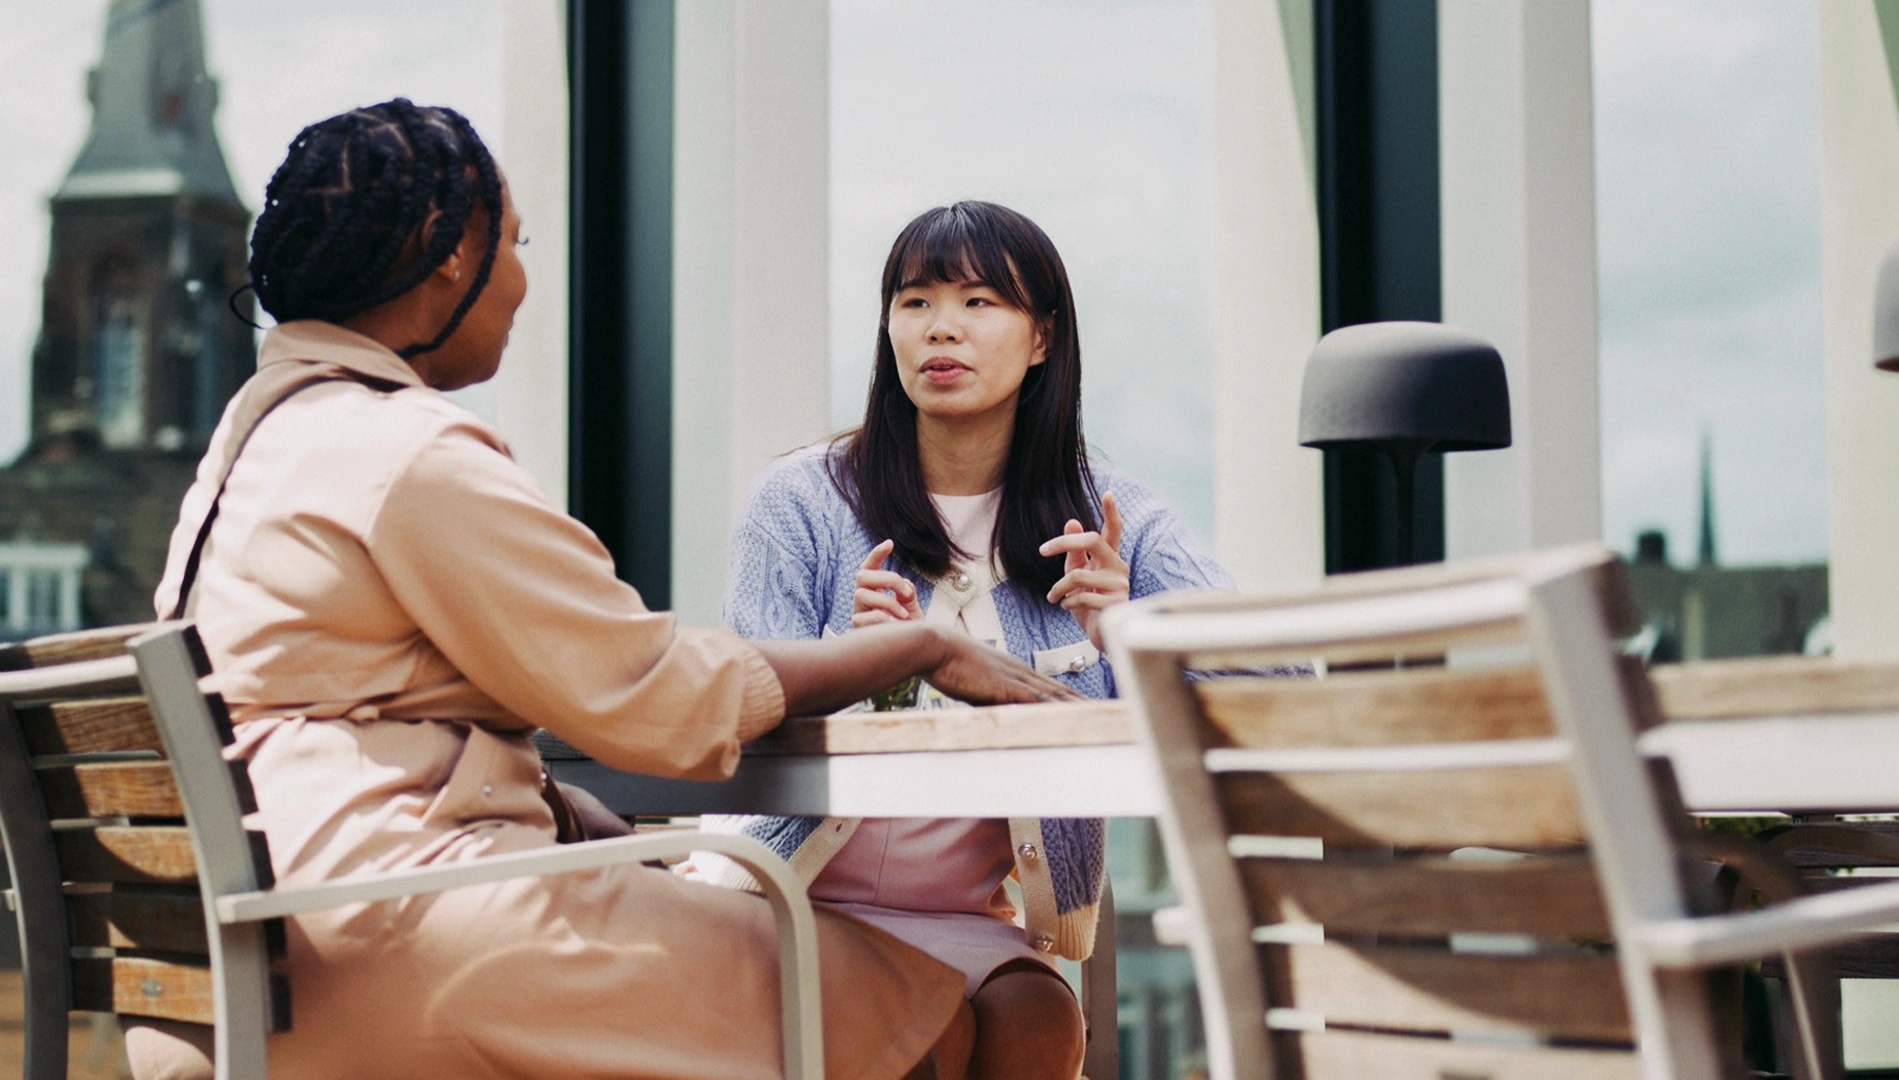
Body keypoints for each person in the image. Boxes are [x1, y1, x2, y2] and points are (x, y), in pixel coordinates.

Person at [129, 101, 1079, 1080]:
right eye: (517, 242)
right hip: (396, 943)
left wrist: (558, 805)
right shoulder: (406, 452)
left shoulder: (253, 447)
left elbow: (357, 702)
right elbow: (658, 695)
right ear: (446, 251)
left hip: (237, 951)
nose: (522, 283)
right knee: (930, 1011)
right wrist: (918, 647)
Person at [698, 201, 1234, 1080]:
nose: (942, 327)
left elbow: (1272, 672)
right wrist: (857, 654)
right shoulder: (799, 499)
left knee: (1040, 1021)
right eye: (915, 303)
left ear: (1041, 339)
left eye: (979, 302)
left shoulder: (1111, 516)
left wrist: (1131, 631)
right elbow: (746, 703)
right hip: (789, 891)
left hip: (965, 915)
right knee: (926, 1038)